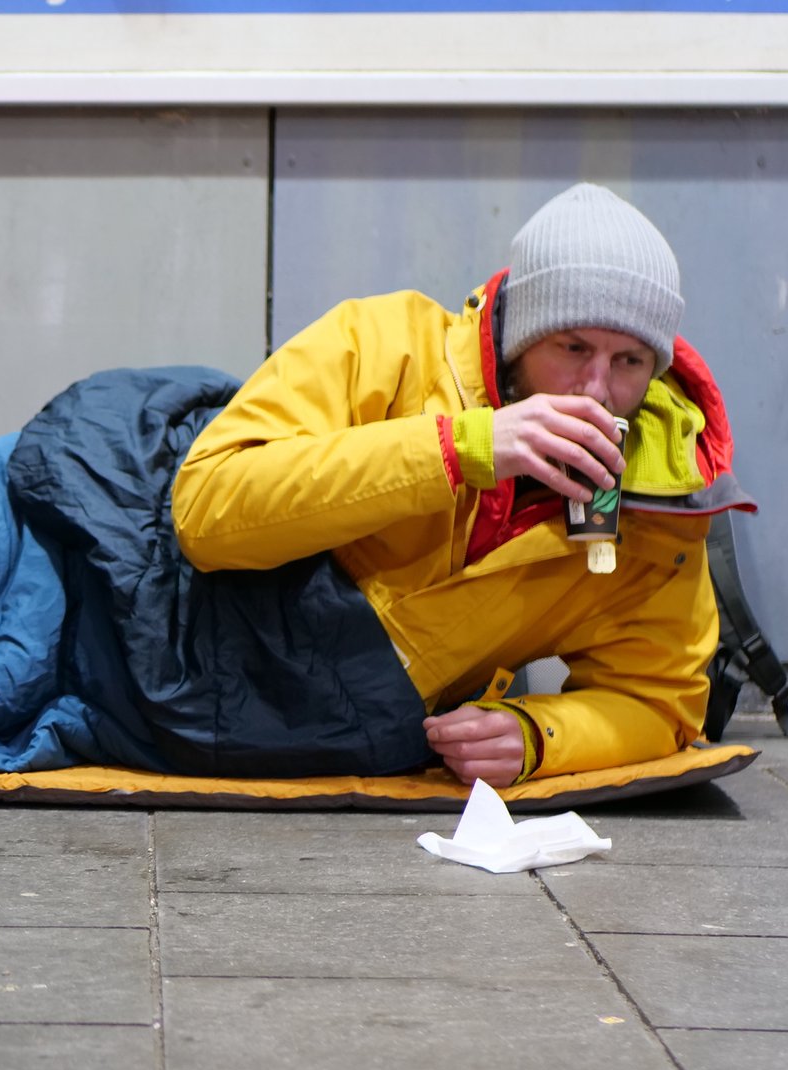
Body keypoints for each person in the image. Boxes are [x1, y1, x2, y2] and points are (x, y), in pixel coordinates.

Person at [172, 182, 751, 790]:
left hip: (319, 719)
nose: (597, 390)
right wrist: (458, 449)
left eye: (629, 361)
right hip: (183, 598)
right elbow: (206, 511)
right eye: (573, 347)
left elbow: (660, 700)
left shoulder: (658, 504)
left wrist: (538, 737)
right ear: (522, 337)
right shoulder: (385, 342)